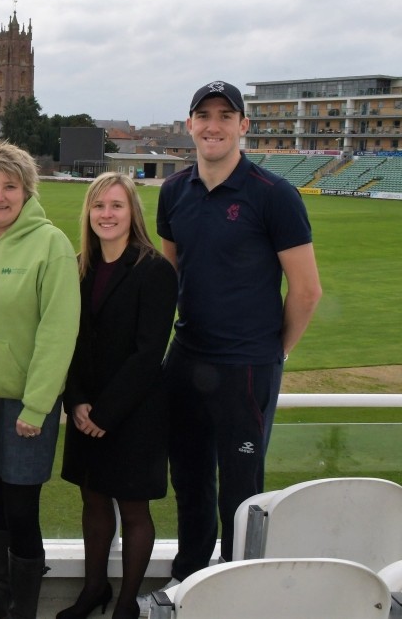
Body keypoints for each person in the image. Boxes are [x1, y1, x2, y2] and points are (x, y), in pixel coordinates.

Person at [157, 81, 322, 582]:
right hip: (186, 359)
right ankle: (188, 581)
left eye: (225, 116)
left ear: (243, 126)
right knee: (189, 481)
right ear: (189, 125)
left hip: (247, 367)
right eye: (203, 115)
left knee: (242, 492)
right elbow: (171, 278)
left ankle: (237, 586)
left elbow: (307, 290)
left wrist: (274, 353)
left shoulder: (274, 195)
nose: (213, 125)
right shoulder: (172, 191)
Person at [0, 141, 80, 619]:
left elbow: (58, 330)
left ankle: (22, 608)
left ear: (27, 191)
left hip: (29, 406)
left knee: (22, 508)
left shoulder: (51, 244)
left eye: (10, 186)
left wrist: (38, 405)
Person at [57, 172, 177, 619]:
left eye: (116, 206)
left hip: (134, 412)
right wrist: (77, 402)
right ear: (88, 212)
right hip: (86, 405)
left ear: (132, 213)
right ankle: (94, 590)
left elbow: (149, 354)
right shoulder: (77, 267)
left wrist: (104, 412)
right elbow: (65, 340)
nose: (106, 214)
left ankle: (126, 604)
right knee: (91, 498)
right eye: (98, 206)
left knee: (133, 507)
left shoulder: (155, 270)